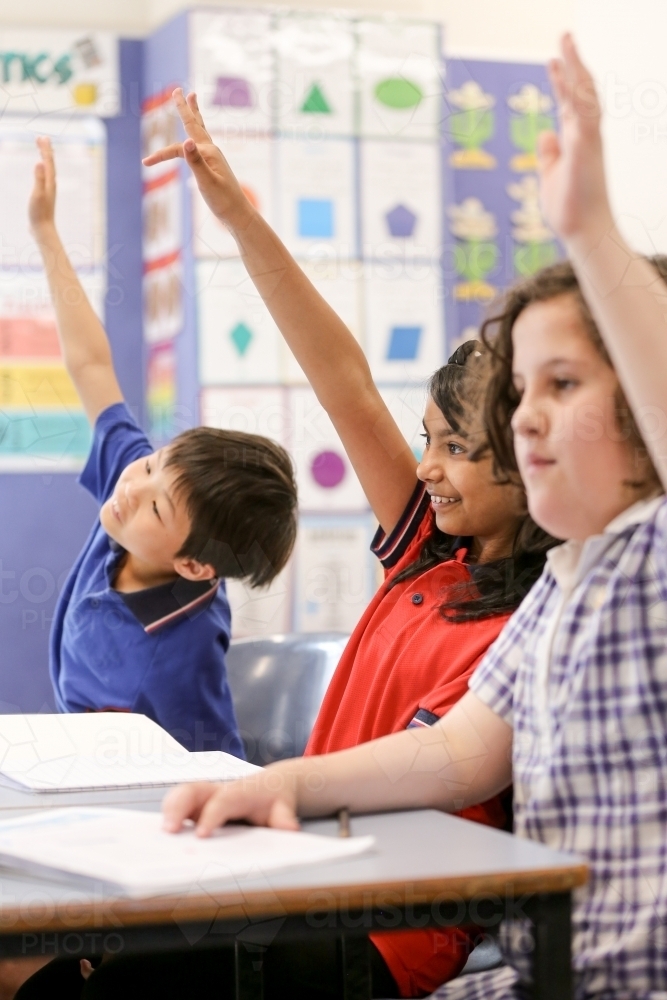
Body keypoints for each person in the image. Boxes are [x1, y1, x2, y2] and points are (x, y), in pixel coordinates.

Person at [146, 34, 667, 1000]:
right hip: (525, 974)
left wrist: (589, 229)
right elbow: (460, 750)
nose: (528, 418)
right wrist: (279, 782)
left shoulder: (653, 559)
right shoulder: (558, 584)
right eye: (518, 393)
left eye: (561, 384)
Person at [23, 67, 561, 1000]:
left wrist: (282, 785)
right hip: (293, 871)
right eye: (425, 443)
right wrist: (235, 215)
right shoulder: (430, 550)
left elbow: (445, 764)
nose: (424, 468)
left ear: (528, 464)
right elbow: (343, 383)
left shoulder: (535, 618)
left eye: (456, 452)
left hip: (383, 926)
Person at [29, 137, 298, 756]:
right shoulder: (134, 494)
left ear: (195, 567)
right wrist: (45, 231)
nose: (133, 485)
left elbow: (212, 768)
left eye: (156, 505)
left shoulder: (181, 654)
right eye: (151, 465)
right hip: (74, 761)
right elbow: (93, 363)